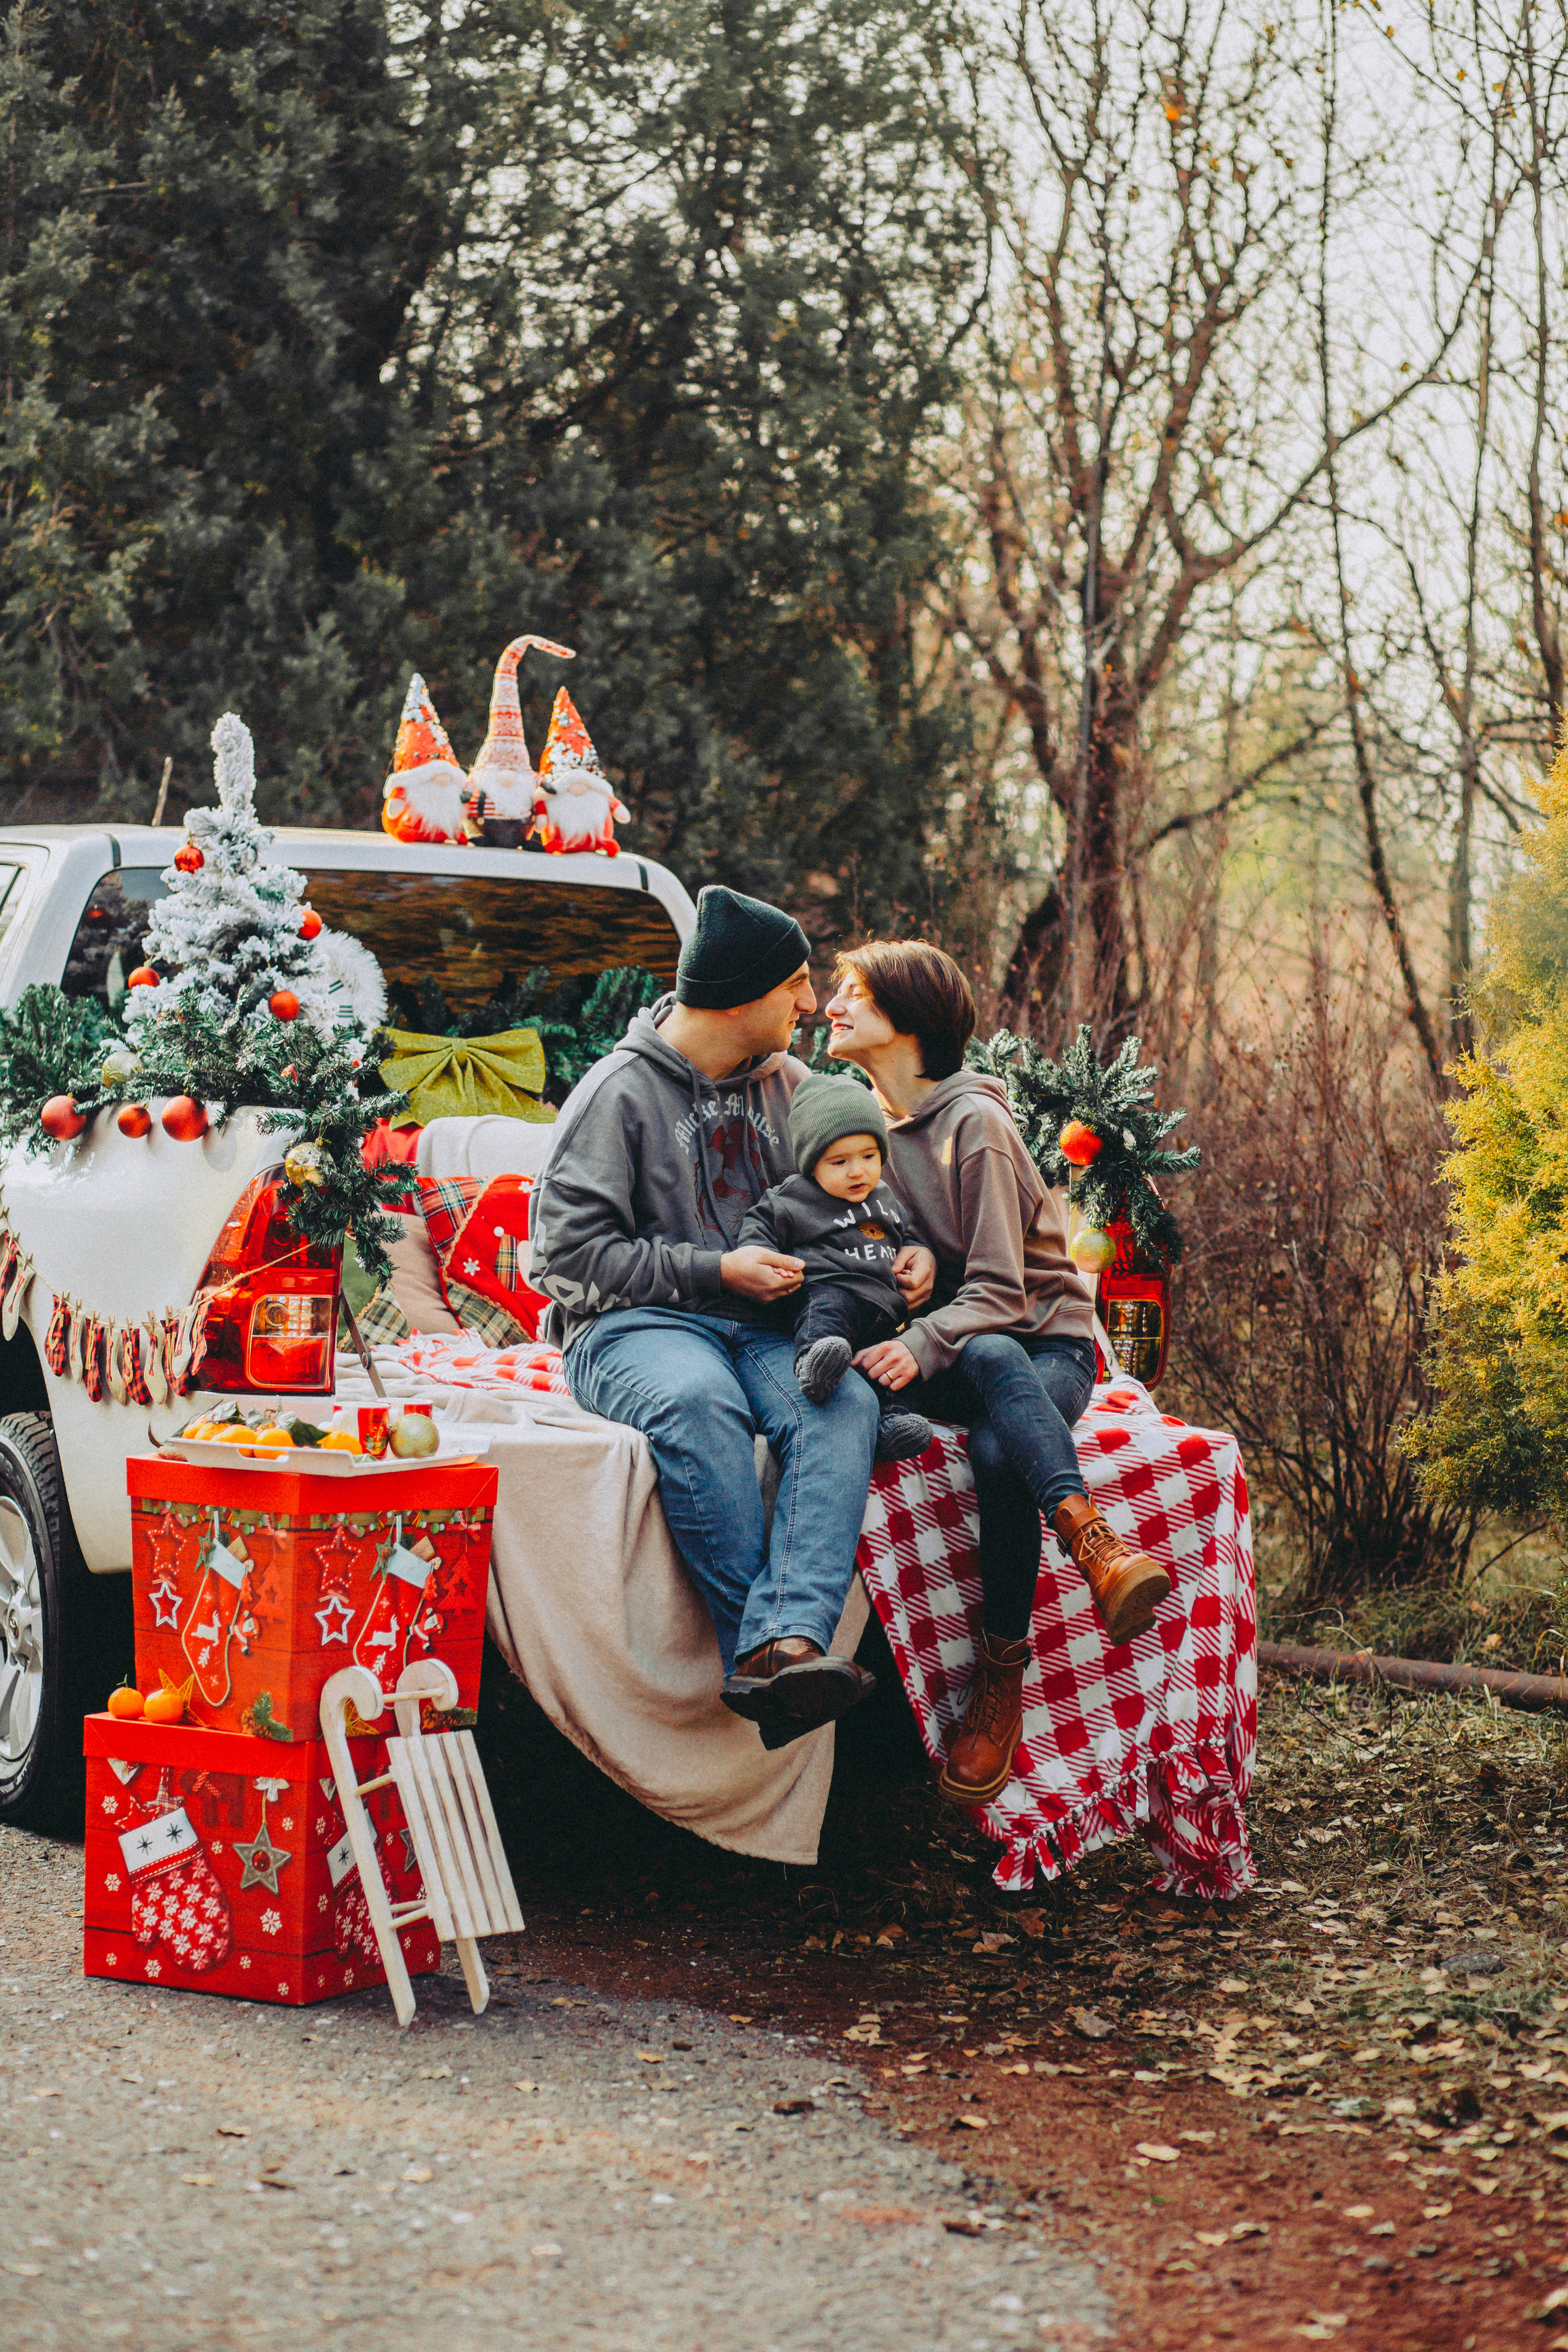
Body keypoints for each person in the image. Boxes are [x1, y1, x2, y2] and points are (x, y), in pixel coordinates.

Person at [529, 885, 935, 1751]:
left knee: (844, 1402)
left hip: (769, 1329)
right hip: (633, 1327)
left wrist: (902, 1253)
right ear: (744, 996)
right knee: (699, 1401)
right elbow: (565, 1263)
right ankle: (762, 1656)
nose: (808, 1002)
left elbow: (857, 1200)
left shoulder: (794, 1088)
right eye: (793, 983)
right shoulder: (617, 1096)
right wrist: (715, 1267)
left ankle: (785, 1650)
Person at [823, 940, 1171, 1805]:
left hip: (1045, 1344)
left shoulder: (974, 1126)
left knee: (991, 1442)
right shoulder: (864, 1128)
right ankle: (1088, 1532)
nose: (832, 1006)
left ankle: (1002, 1673)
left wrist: (926, 1335)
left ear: (909, 1024)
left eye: (854, 995)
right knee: (974, 1352)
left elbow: (1002, 1291)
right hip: (965, 1343)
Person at [736, 1072, 934, 1463]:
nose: (857, 1171)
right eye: (839, 1161)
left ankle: (892, 1425)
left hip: (884, 1310)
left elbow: (906, 1236)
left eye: (869, 1156)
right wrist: (761, 1259)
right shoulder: (794, 1197)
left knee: (891, 1367)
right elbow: (758, 1229)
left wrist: (917, 1252)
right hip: (827, 1288)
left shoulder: (885, 1197)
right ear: (813, 1164)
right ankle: (814, 1362)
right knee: (827, 1309)